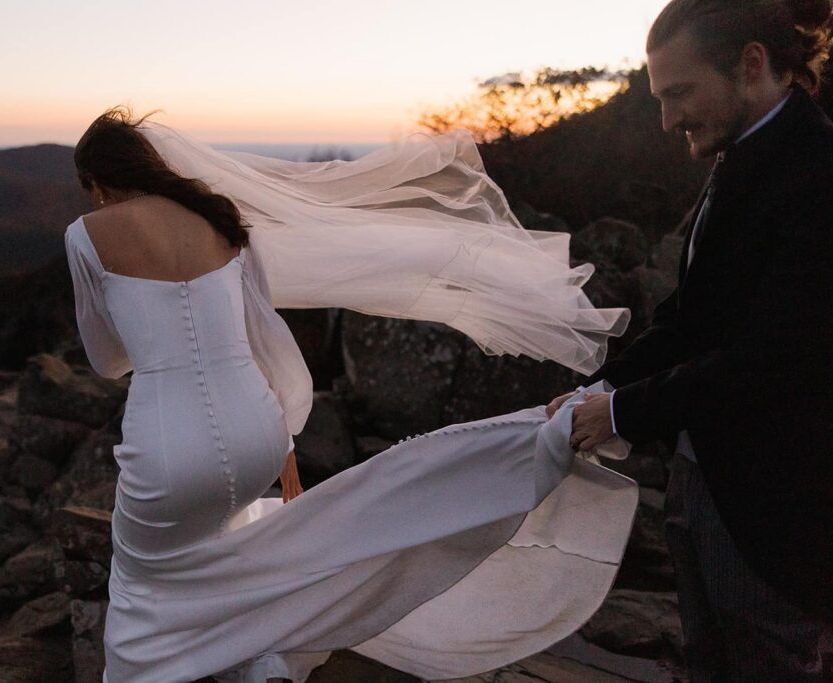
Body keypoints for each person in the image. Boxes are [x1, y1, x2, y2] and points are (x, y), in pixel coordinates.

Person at [65, 109, 638, 682]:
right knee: (230, 550)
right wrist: (283, 438)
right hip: (257, 432)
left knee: (140, 582)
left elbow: (107, 359)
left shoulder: (87, 235)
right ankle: (260, 664)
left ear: (98, 182)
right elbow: (266, 337)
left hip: (172, 449)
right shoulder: (219, 218)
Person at [551, 0, 833, 678]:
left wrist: (621, 414)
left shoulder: (817, 174)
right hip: (700, 492)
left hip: (775, 525)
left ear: (752, 65)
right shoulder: (741, 154)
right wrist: (602, 386)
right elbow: (690, 317)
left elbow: (772, 361)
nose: (667, 118)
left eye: (678, 93)